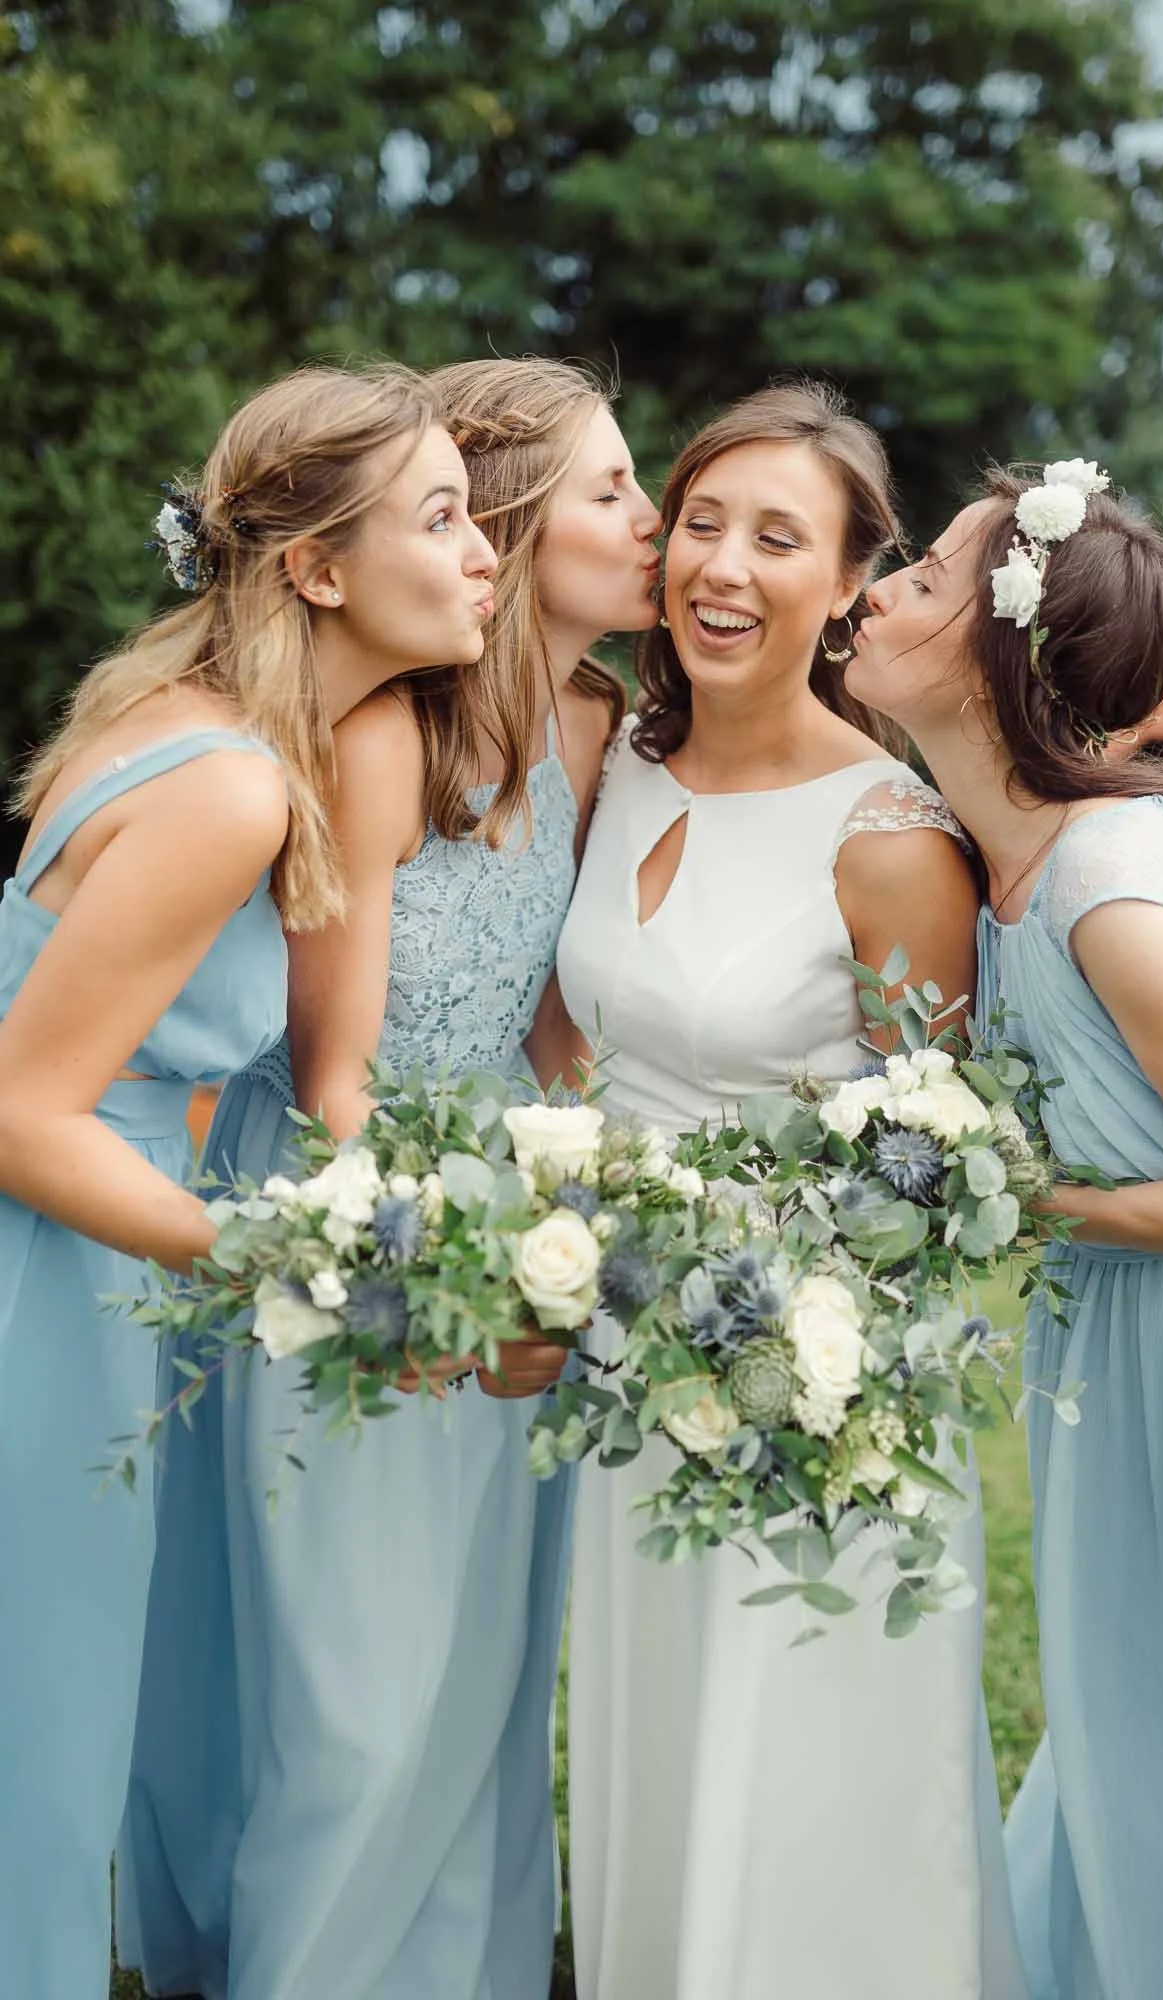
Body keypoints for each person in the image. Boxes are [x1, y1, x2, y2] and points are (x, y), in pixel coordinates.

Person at [119, 356, 662, 2000]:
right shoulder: (381, 740)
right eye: (614, 491)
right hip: (357, 1217)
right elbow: (333, 1077)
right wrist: (444, 1265)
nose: (652, 521)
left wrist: (580, 1229)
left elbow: (555, 1034)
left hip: (511, 1214)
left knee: (480, 1664)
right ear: (511, 521)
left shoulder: (597, 726)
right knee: (352, 1685)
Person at [0, 361, 479, 1999]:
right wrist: (300, 1267)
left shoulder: (192, 730)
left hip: (82, 1251)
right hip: (51, 1272)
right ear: (318, 569)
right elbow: (24, 1112)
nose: (479, 548)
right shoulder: (228, 786)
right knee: (38, 1766)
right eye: (441, 515)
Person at [556, 382, 1026, 2000]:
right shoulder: (616, 761)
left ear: (845, 585)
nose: (724, 567)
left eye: (778, 538)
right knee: (660, 1743)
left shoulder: (889, 835)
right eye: (700, 522)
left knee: (807, 1767)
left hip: (809, 1379)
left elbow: (931, 1157)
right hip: (626, 1350)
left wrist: (784, 1337)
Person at [845, 459, 1163, 1998]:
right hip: (1124, 1342)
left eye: (927, 577)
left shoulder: (1113, 883)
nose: (880, 591)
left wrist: (1010, 1198)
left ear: (1003, 652)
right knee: (1142, 1722)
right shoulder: (994, 866)